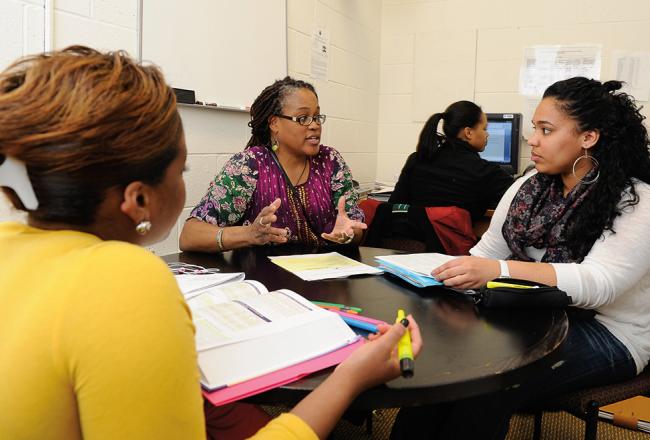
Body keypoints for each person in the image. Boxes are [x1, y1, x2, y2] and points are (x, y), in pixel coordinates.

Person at [0, 46, 422, 440]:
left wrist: (353, 226)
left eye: (318, 117)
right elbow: (195, 231)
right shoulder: (127, 279)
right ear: (138, 198)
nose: (314, 125)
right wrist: (351, 377)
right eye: (182, 170)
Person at [391, 77, 650, 439]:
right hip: (534, 314)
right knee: (445, 366)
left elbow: (600, 284)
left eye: (546, 129)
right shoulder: (527, 187)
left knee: (491, 380)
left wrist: (497, 270)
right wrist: (445, 278)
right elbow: (484, 254)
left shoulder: (634, 200)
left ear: (588, 137)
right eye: (534, 128)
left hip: (612, 332)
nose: (533, 139)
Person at [179, 77, 366, 252]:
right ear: (274, 123)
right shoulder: (249, 166)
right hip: (266, 279)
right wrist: (247, 234)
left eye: (317, 117)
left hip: (325, 277)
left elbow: (355, 227)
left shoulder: (330, 160)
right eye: (303, 118)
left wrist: (349, 234)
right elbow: (189, 236)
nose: (315, 125)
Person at [388, 100, 514, 221]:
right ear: (468, 132)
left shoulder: (416, 159)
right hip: (451, 241)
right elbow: (522, 199)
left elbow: (392, 206)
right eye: (484, 129)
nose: (487, 135)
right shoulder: (483, 171)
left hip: (409, 239)